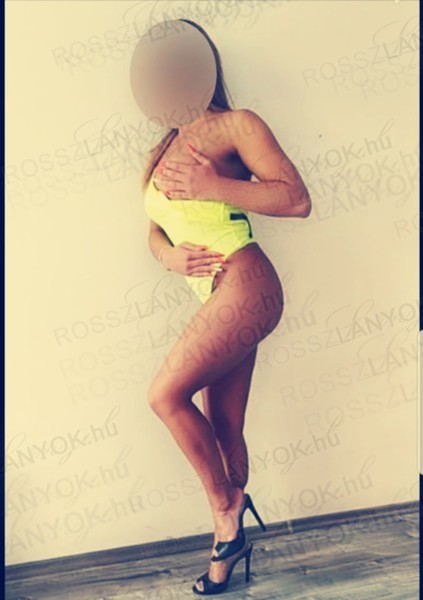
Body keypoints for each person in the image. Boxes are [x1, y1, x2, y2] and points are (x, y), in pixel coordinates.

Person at [140, 19, 311, 595]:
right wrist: (168, 257)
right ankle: (228, 552)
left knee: (164, 396)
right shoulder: (163, 146)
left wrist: (215, 186)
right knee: (224, 428)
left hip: (245, 281)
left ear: (201, 65)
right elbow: (155, 227)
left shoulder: (240, 125)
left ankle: (225, 510)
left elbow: (296, 199)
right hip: (215, 291)